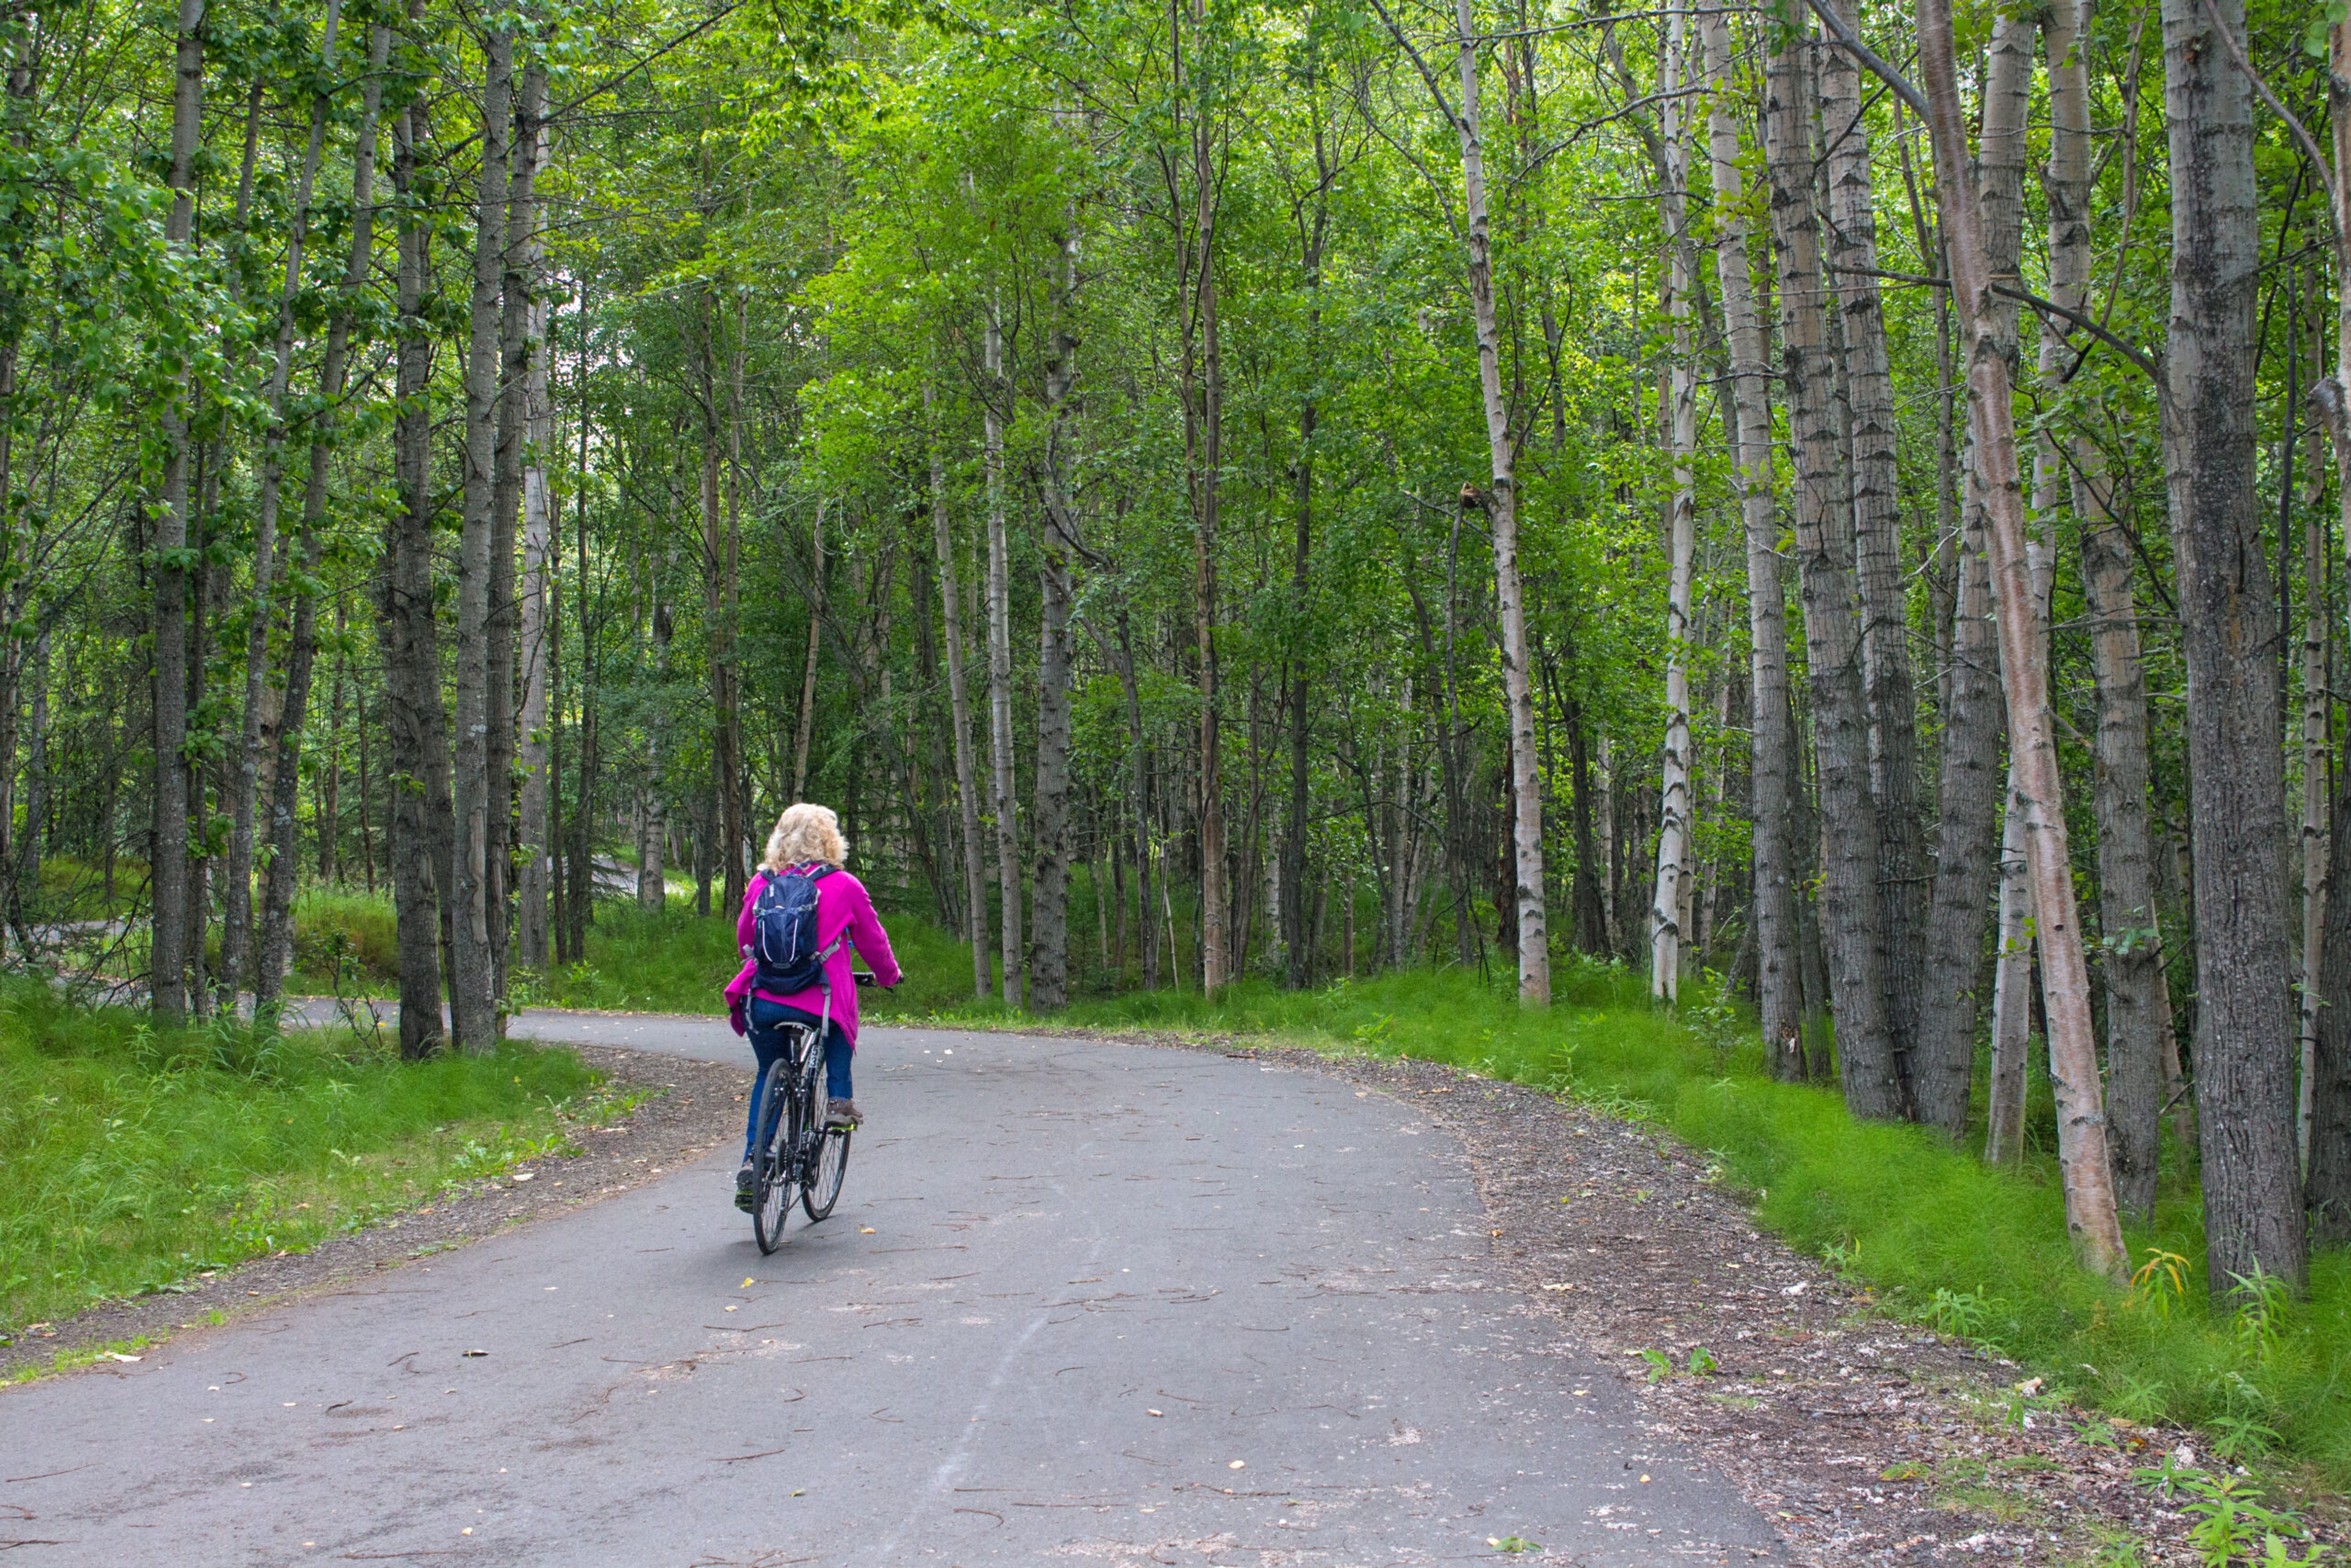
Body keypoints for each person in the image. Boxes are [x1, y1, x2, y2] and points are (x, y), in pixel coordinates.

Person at [726, 802, 901, 1211]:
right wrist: (890, 977)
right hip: (817, 1003)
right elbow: (874, 942)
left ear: (780, 839)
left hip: (762, 1000)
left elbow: (744, 937)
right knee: (840, 1018)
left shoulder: (762, 882)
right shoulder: (844, 885)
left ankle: (755, 1161)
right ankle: (839, 1100)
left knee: (768, 1072)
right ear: (829, 840)